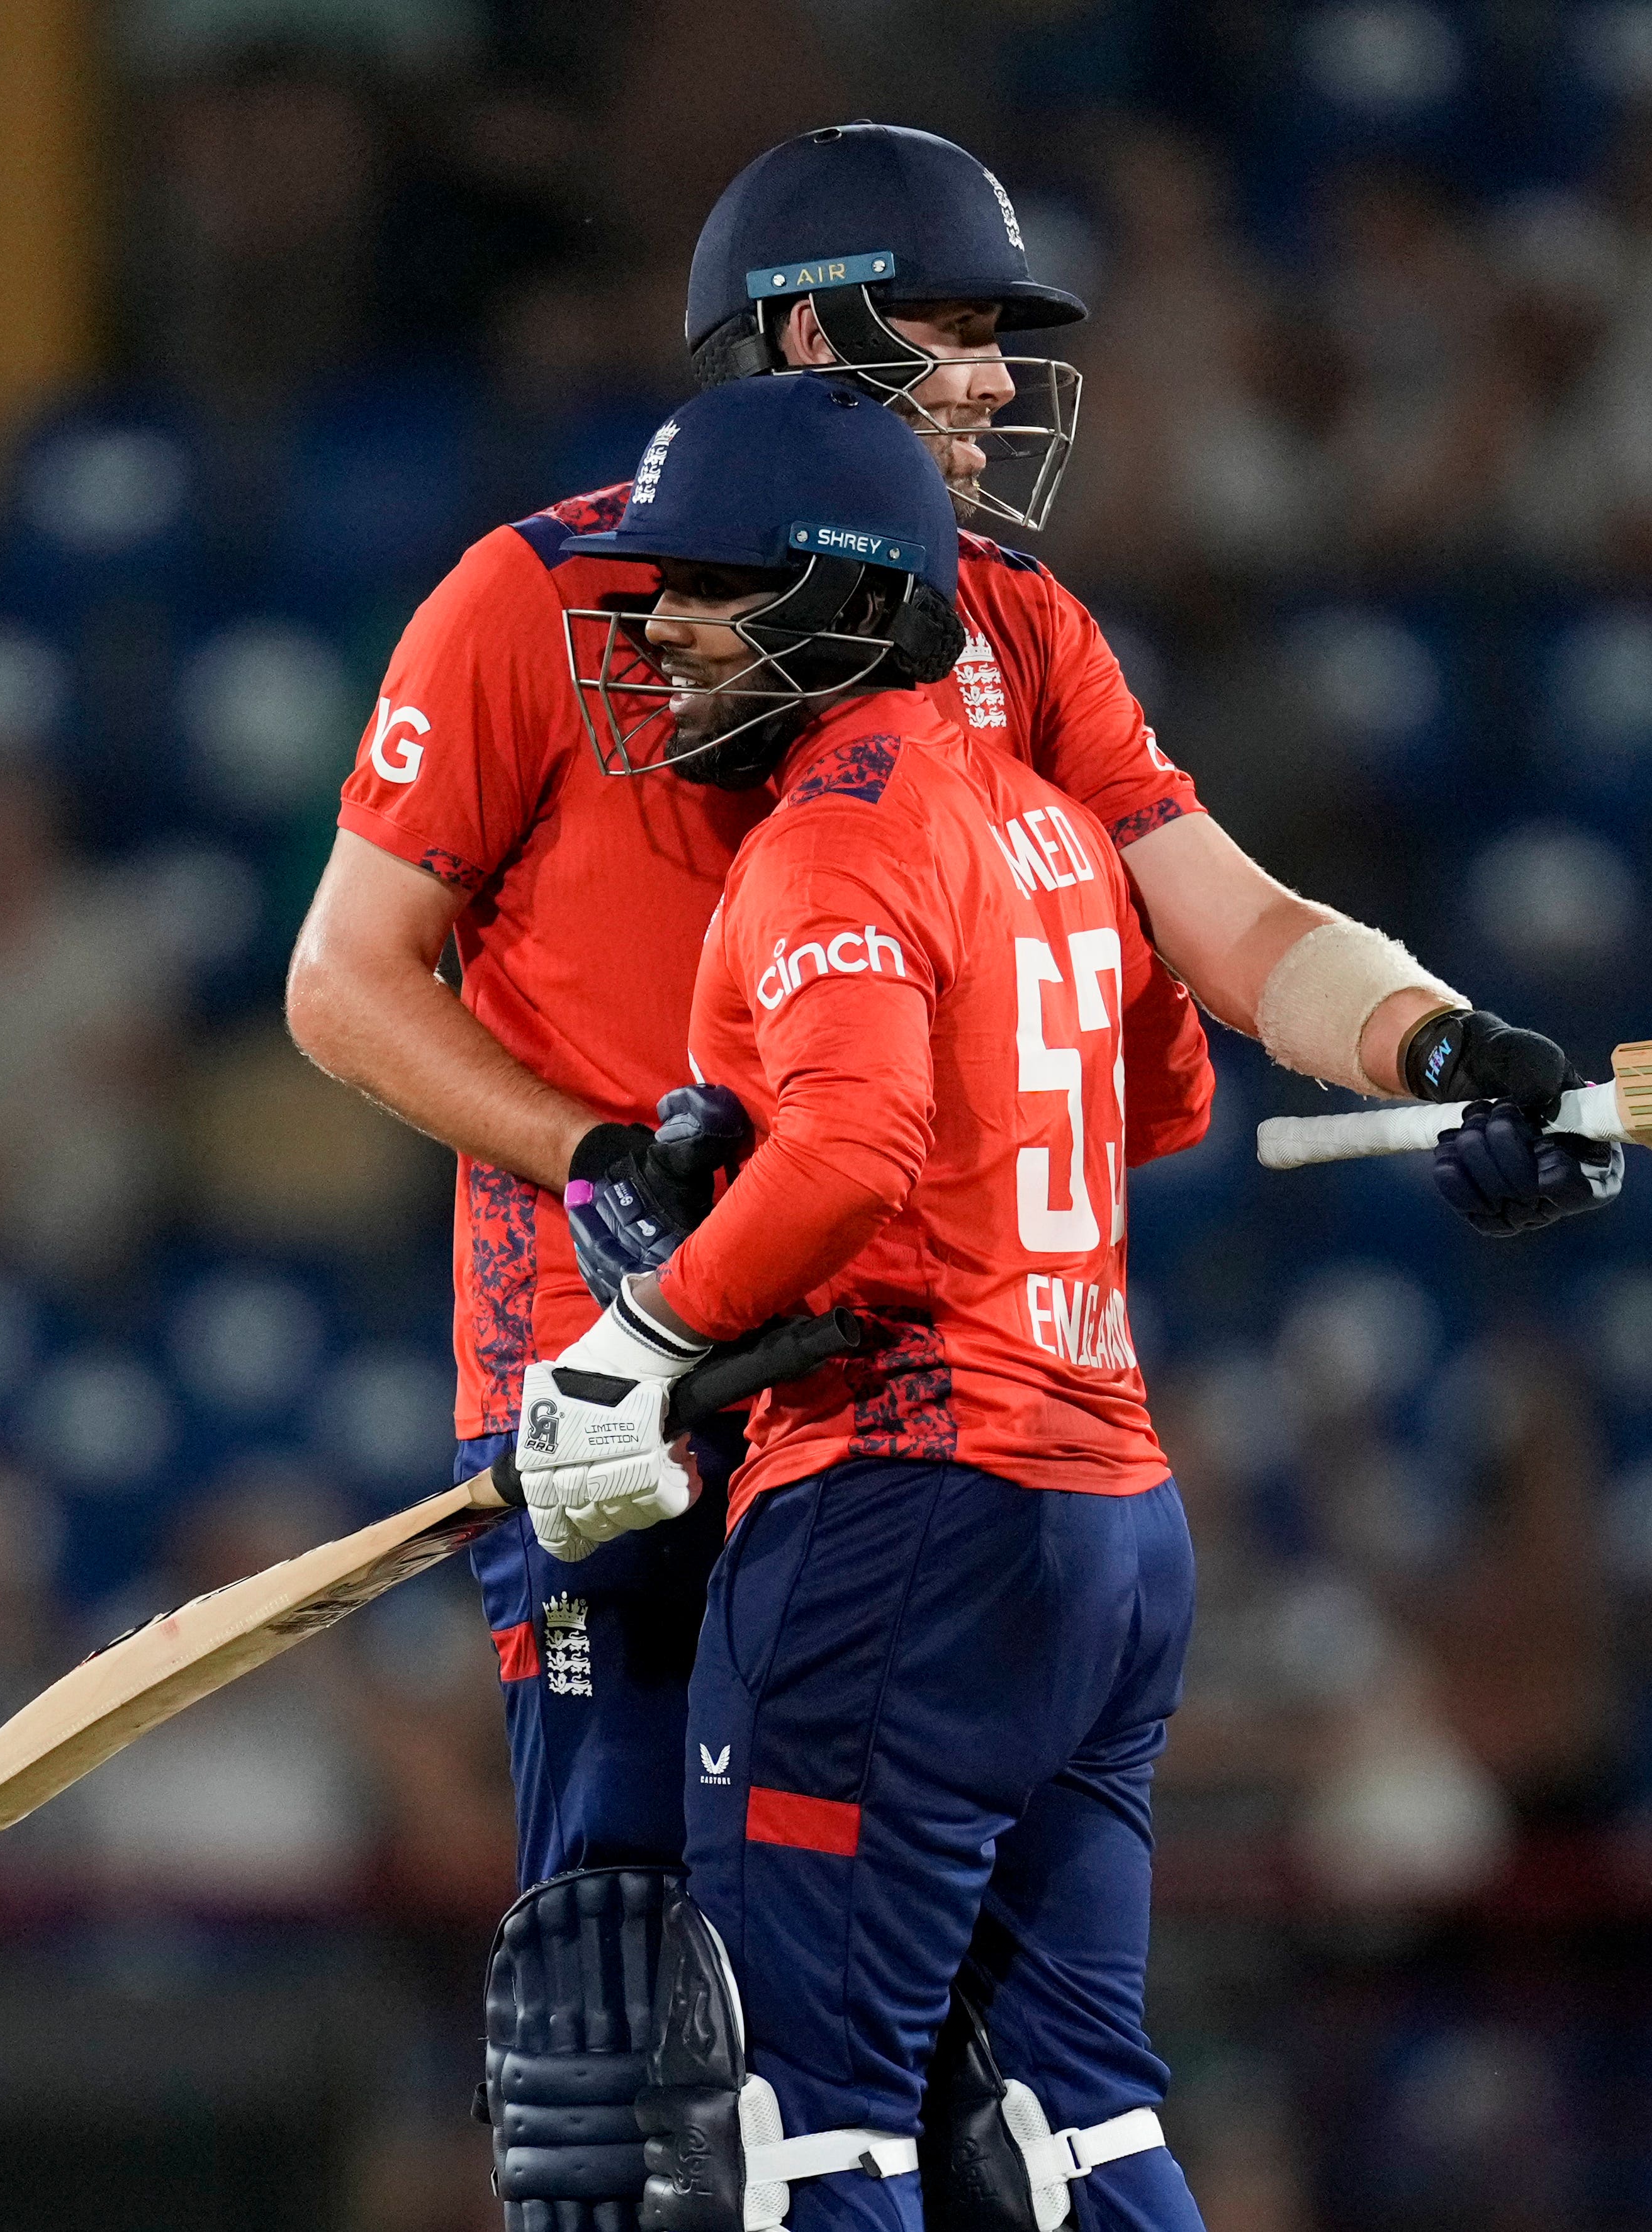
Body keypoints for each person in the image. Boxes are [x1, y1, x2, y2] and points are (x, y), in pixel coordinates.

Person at [288, 120, 1617, 2228]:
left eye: (1005, 336)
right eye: (954, 329)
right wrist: (597, 1155)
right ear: (801, 335)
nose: (996, 377)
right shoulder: (541, 600)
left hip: (896, 1408)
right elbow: (345, 985)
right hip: (618, 1405)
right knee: (646, 2045)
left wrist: (1443, 1033)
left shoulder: (1012, 618)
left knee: (918, 2076)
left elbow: (1232, 916)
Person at [511, 371, 1210, 2232]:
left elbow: (859, 1150)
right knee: (1081, 2120)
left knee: (799, 2126)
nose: (658, 627)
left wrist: (637, 1348)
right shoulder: (1053, 823)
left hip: (905, 1514)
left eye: (710, 587)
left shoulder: (829, 836)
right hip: (1113, 1529)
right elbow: (1170, 1093)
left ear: (842, 599)